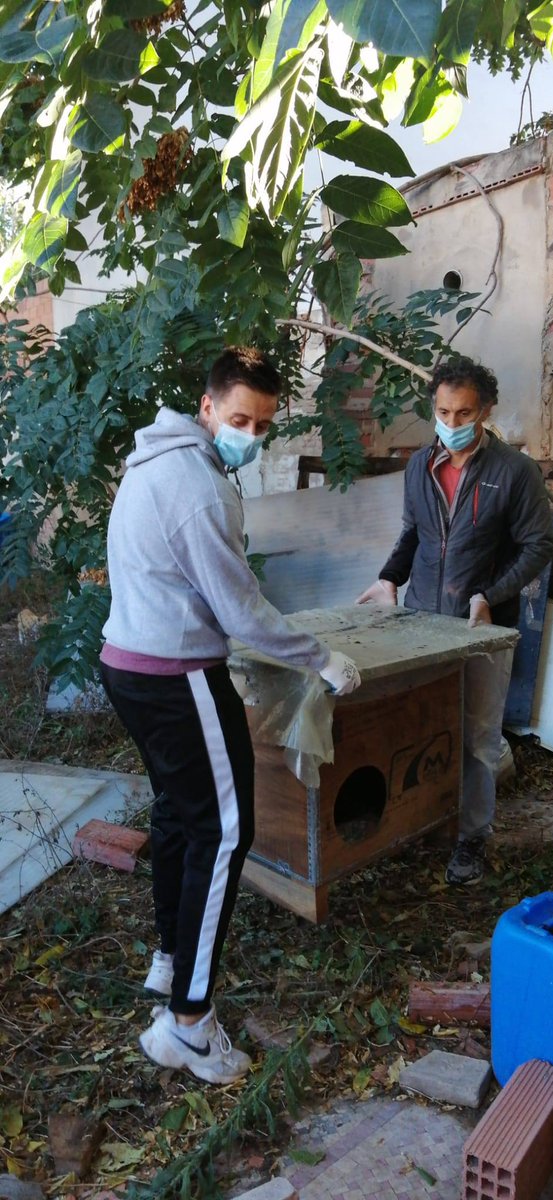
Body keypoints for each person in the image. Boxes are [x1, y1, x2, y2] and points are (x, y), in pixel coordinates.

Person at [100, 346, 360, 1084]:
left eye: (263, 424)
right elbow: (240, 610)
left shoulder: (153, 460)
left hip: (128, 662)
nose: (251, 434)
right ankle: (188, 1024)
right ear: (207, 406)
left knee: (180, 814)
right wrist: (320, 658)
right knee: (225, 832)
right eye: (240, 419)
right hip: (176, 674)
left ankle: (170, 959)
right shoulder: (199, 488)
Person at [356, 357, 553, 886]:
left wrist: (490, 595)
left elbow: (539, 545)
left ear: (485, 410)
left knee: (478, 738)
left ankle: (471, 838)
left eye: (464, 412)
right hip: (422, 621)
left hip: (481, 627)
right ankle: (420, 819)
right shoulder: (420, 466)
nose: (451, 422)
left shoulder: (514, 472)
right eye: (443, 412)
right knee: (419, 725)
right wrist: (389, 578)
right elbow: (412, 533)